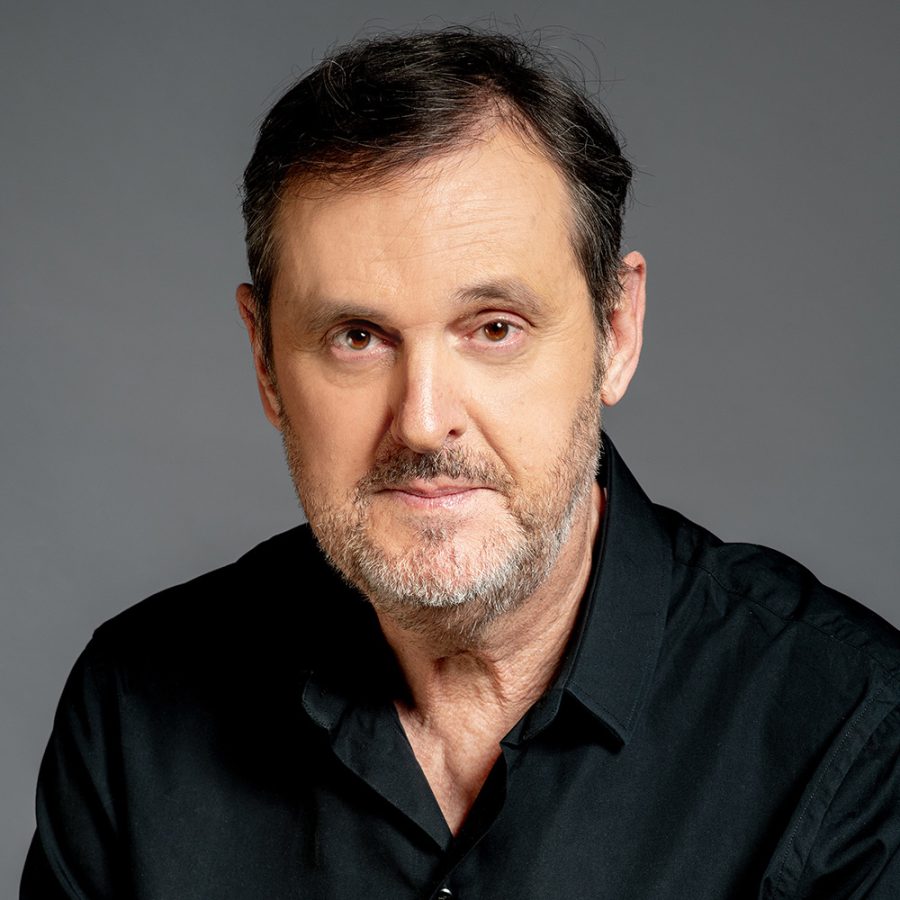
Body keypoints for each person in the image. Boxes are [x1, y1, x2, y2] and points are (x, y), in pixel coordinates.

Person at [21, 29, 900, 900]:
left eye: (494, 328)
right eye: (357, 337)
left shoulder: (849, 732)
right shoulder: (134, 711)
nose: (423, 421)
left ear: (617, 331)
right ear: (264, 361)